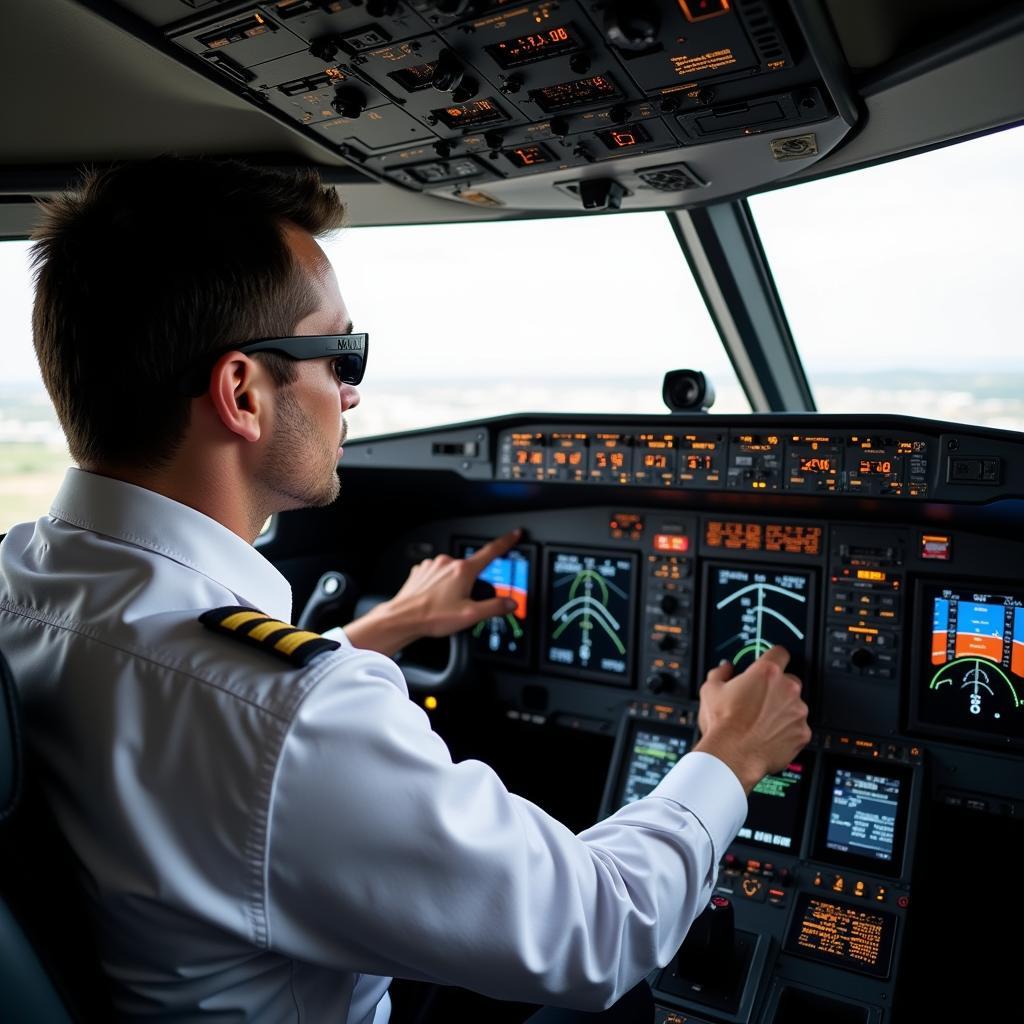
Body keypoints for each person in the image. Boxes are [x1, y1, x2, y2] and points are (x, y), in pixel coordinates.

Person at [0, 157, 811, 1022]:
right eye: (341, 352)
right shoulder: (298, 716)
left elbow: (194, 700)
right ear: (242, 392)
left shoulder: (21, 580)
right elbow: (600, 929)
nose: (349, 393)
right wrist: (729, 754)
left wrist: (378, 628)